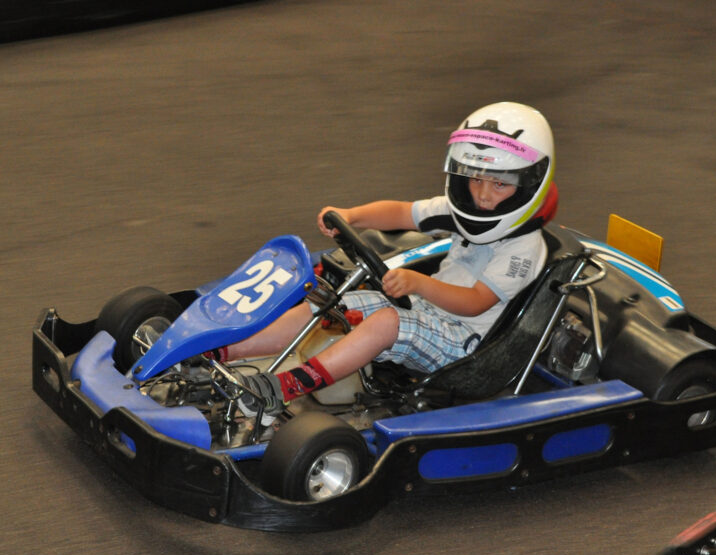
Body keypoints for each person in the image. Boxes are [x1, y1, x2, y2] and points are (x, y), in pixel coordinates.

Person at [220, 101, 559, 421]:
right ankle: (223, 351)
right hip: (427, 311)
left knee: (385, 322)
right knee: (332, 304)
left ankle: (282, 389)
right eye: (475, 179)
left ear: (530, 183)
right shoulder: (464, 212)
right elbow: (401, 212)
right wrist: (351, 216)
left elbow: (475, 303)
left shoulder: (522, 247)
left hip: (467, 347)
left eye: (500, 184)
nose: (483, 195)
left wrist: (419, 284)